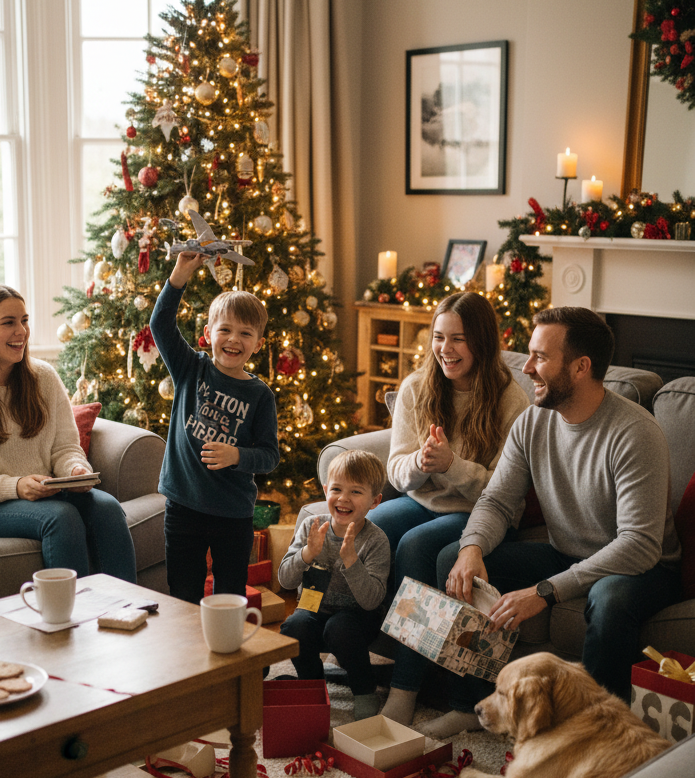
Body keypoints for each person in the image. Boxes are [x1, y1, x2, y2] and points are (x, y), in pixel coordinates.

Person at [434, 305, 681, 720]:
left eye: (541, 357)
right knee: (453, 560)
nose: (526, 367)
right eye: (529, 354)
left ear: (581, 367)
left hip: (645, 567)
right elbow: (496, 500)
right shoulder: (533, 422)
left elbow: (638, 545)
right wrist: (471, 547)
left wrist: (546, 591)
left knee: (609, 600)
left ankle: (594, 731)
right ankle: (469, 706)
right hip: (567, 551)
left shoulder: (636, 434)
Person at [374, 290, 529, 731]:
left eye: (458, 339)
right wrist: (420, 465)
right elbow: (396, 469)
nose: (446, 349)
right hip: (420, 499)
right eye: (439, 338)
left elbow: (506, 491)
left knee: (418, 545)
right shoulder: (416, 389)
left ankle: (405, 689)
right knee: (375, 527)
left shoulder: (510, 400)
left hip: (480, 512)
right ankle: (365, 663)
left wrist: (453, 466)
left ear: (481, 342)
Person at [0, 284, 136, 582]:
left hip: (46, 492)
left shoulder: (44, 377)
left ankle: (128, 610)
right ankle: (71, 621)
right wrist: (16, 486)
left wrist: (75, 469)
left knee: (107, 507)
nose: (22, 331)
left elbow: (65, 447)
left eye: (24, 320)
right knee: (61, 517)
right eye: (8, 322)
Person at [150, 250, 279, 605]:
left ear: (258, 342)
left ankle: (229, 656)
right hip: (183, 503)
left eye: (245, 333)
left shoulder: (260, 395)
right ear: (208, 334)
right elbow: (160, 325)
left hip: (232, 513)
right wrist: (178, 276)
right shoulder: (190, 369)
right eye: (225, 330)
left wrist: (237, 455)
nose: (234, 340)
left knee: (229, 595)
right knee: (184, 592)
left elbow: (269, 457)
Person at [279, 450, 391, 720]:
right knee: (294, 626)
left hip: (357, 620)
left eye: (355, 492)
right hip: (314, 610)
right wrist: (307, 553)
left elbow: (372, 600)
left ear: (375, 501)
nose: (343, 498)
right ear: (326, 490)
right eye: (337, 489)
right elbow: (285, 579)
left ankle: (364, 689)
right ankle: (312, 684)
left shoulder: (376, 540)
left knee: (338, 626)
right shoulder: (310, 526)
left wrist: (351, 560)